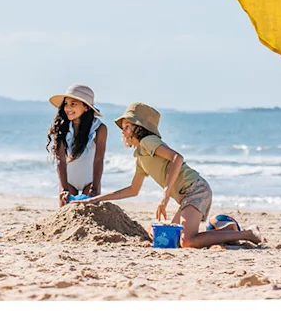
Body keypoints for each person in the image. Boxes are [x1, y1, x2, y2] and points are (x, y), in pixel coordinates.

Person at [87, 103, 263, 249]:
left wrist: (165, 194)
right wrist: (97, 199)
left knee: (187, 241)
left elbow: (177, 158)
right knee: (173, 239)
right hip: (187, 195)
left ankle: (249, 233)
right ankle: (228, 231)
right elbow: (133, 190)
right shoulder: (141, 157)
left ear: (139, 128)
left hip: (195, 189)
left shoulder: (148, 142)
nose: (122, 132)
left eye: (126, 127)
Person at [46, 84, 107, 205]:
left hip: (90, 181)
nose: (68, 108)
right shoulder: (61, 127)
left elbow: (99, 159)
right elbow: (61, 160)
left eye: (73, 104)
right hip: (68, 181)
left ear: (86, 107)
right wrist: (64, 189)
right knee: (66, 217)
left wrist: (94, 187)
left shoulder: (99, 129)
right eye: (66, 104)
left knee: (90, 215)